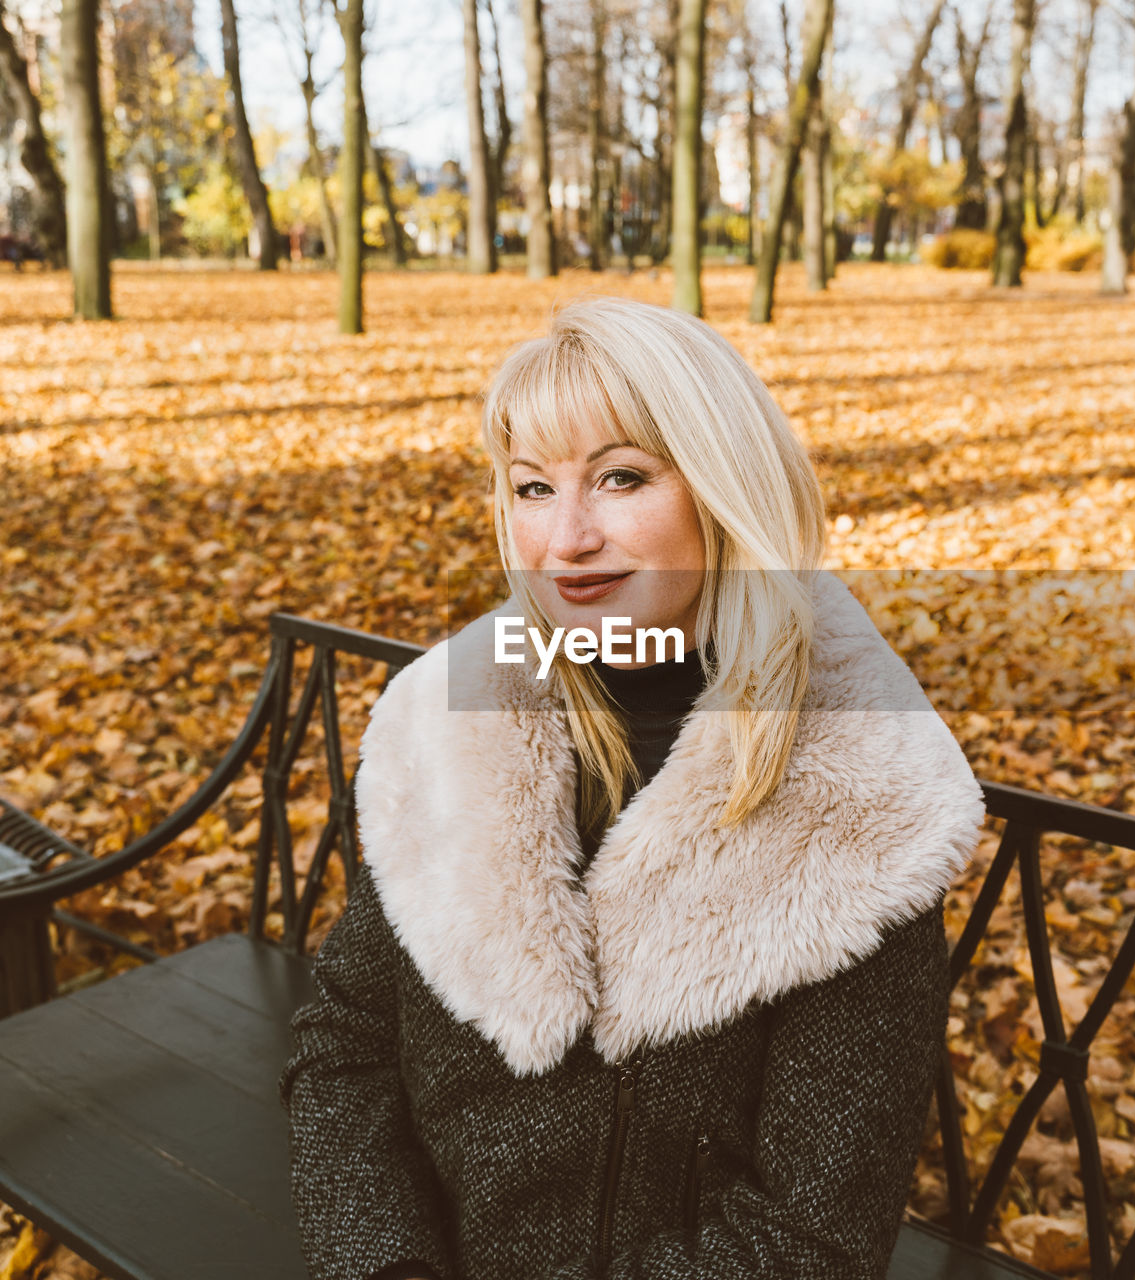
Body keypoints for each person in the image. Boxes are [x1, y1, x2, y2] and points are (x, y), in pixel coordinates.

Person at [280, 295, 986, 1280]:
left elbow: (809, 1238)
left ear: (723, 489)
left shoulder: (856, 799)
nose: (564, 537)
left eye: (619, 477)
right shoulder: (450, 726)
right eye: (531, 487)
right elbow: (346, 1042)